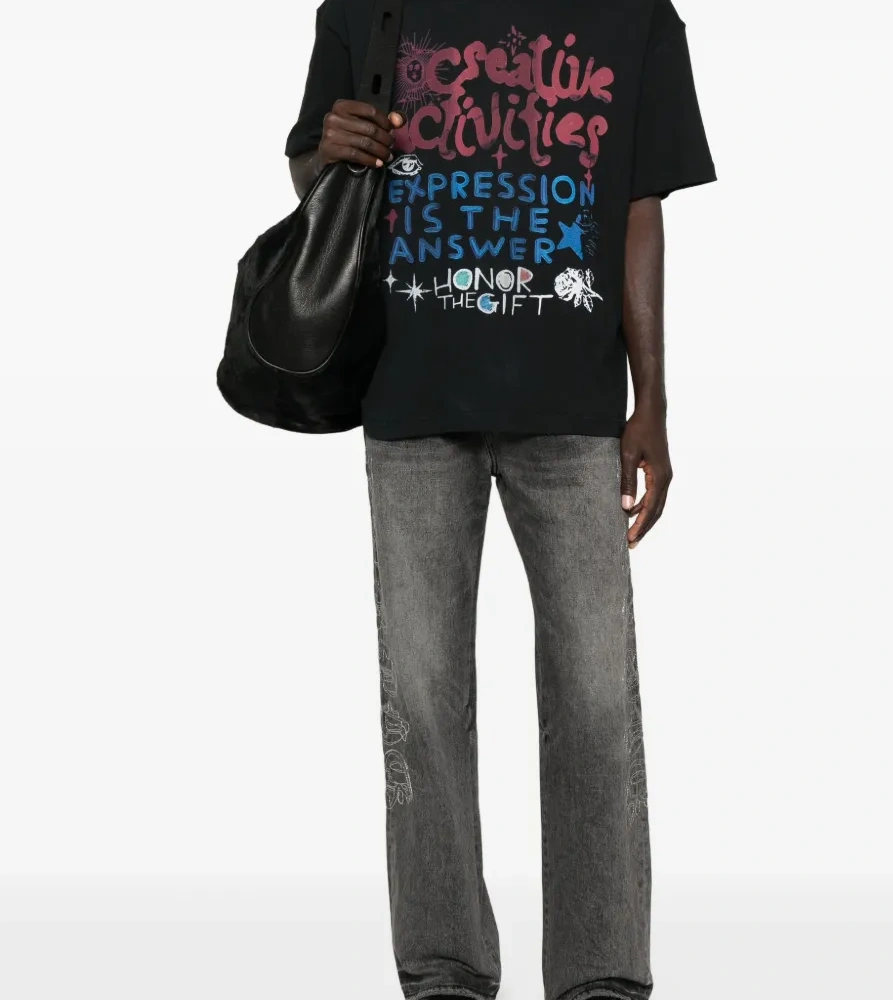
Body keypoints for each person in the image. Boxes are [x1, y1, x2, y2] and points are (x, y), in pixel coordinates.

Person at [285, 2, 715, 998]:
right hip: (409, 397)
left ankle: (601, 973)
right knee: (422, 696)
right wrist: (326, 151)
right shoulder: (364, 8)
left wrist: (651, 400)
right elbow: (316, 178)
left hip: (572, 408)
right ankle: (444, 967)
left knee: (596, 696)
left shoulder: (634, 16)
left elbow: (640, 206)